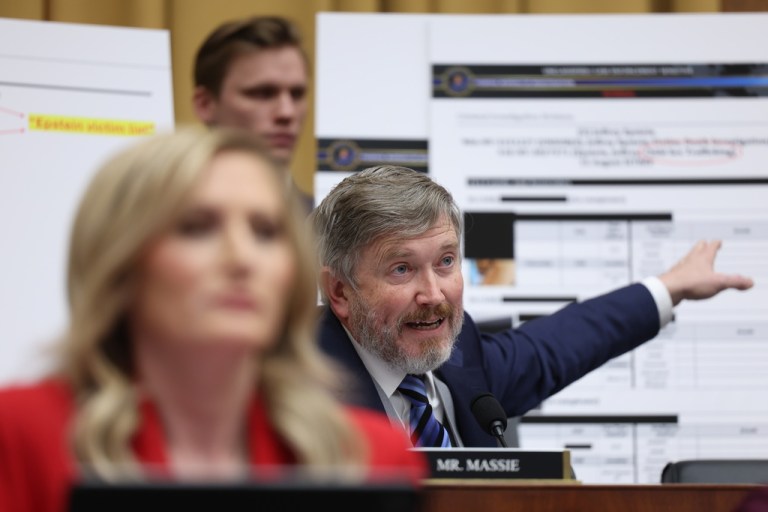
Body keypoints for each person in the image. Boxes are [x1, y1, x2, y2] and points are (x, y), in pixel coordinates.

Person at [0, 130, 426, 512]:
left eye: (265, 231)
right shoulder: (21, 436)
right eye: (197, 227)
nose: (242, 259)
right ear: (120, 262)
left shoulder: (373, 458)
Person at [310, 165, 755, 448]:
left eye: (445, 262)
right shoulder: (292, 379)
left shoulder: (461, 356)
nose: (434, 294)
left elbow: (555, 347)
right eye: (402, 270)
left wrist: (669, 287)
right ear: (341, 292)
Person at [191, 15, 313, 212]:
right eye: (263, 93)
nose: (287, 112)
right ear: (205, 104)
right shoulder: (162, 219)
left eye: (297, 94)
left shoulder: (331, 229)